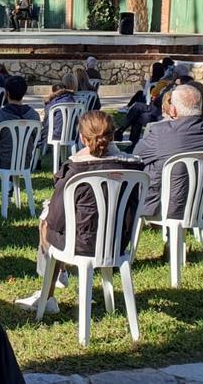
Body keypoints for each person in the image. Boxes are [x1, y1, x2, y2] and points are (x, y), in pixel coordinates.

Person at [16, 111, 135, 313]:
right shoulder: (132, 167)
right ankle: (58, 276)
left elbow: (57, 218)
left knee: (47, 222)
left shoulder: (75, 170)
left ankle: (49, 292)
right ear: (113, 136)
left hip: (81, 243)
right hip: (118, 240)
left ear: (81, 138)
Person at [134, 85, 203, 219]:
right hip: (201, 204)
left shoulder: (160, 132)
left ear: (173, 109)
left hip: (163, 205)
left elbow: (137, 156)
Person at [0, 76, 40, 176]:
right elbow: (36, 140)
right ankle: (10, 184)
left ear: (7, 93)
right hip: (25, 162)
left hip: (1, 162)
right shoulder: (34, 115)